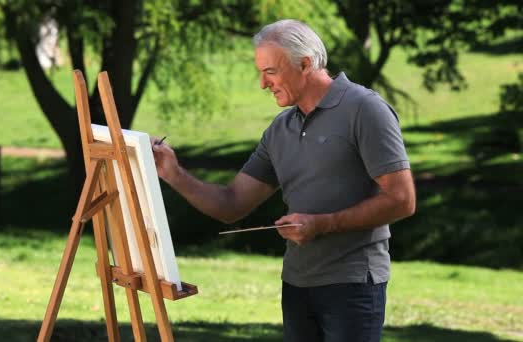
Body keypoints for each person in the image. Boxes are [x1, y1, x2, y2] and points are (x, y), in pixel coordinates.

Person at [152, 19, 415, 342]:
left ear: (304, 64)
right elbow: (232, 204)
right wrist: (173, 174)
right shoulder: (280, 130)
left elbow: (402, 200)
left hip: (353, 286)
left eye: (270, 72)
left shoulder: (365, 109)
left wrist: (323, 224)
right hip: (296, 285)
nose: (263, 84)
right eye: (260, 73)